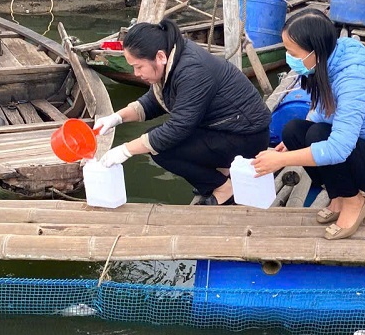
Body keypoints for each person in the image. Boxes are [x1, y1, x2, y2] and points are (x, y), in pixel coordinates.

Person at [252, 10, 365, 240]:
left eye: (292, 53)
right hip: (361, 149)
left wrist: (281, 161)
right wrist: (291, 145)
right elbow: (322, 109)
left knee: (319, 136)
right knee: (293, 131)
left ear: (315, 50)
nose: (289, 58)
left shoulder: (353, 79)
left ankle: (355, 201)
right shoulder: (325, 63)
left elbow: (339, 148)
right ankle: (338, 196)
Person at [95, 19, 271, 205]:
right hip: (223, 129)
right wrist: (116, 118)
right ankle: (220, 173)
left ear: (160, 57)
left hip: (246, 136)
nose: (136, 73)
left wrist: (126, 150)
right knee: (154, 139)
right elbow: (153, 102)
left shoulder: (192, 70)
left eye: (138, 66)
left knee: (162, 148)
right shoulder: (175, 58)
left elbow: (178, 128)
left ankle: (223, 187)